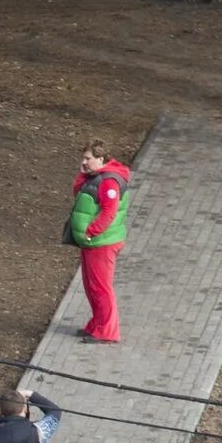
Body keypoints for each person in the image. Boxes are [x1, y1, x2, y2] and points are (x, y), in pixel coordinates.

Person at [68, 144, 132, 345]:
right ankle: (97, 324)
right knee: (91, 286)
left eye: (88, 159)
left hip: (101, 244)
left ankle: (107, 331)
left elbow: (108, 213)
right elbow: (78, 193)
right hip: (92, 243)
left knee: (100, 288)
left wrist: (90, 232)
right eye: (83, 158)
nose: (84, 162)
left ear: (102, 159)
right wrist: (82, 174)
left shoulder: (109, 183)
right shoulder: (96, 178)